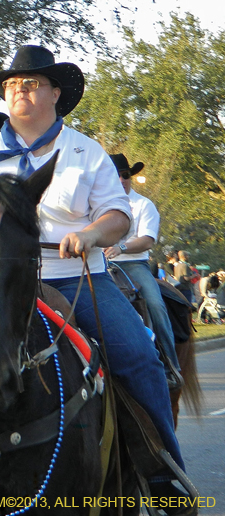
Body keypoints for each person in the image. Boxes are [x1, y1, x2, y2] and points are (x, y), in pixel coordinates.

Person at [0, 45, 185, 509]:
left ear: (55, 92)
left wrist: (90, 232)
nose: (19, 90)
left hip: (72, 277)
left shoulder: (86, 151)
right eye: (11, 85)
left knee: (139, 357)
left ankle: (162, 472)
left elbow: (118, 216)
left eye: (31, 83)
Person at [103, 153, 183, 389]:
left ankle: (171, 366)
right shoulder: (97, 206)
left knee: (155, 304)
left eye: (125, 175)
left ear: (130, 177)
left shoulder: (143, 205)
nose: (121, 180)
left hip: (132, 264)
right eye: (115, 175)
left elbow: (147, 241)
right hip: (99, 266)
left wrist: (121, 247)